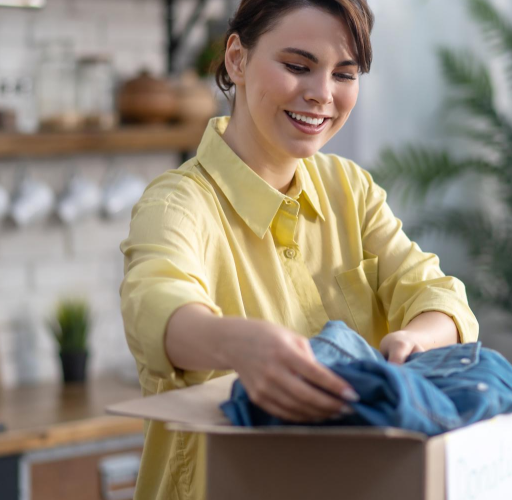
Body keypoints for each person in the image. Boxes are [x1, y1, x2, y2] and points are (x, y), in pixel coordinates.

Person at [119, 1, 479, 499]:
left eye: (344, 74)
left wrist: (416, 342)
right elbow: (153, 307)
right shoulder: (178, 204)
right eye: (297, 66)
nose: (322, 94)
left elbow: (439, 294)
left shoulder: (349, 189)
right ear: (237, 60)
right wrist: (238, 345)